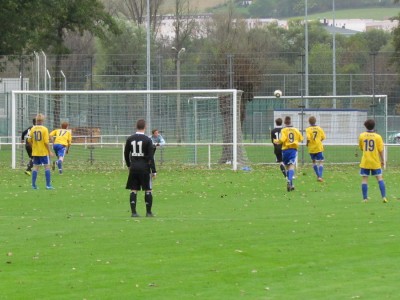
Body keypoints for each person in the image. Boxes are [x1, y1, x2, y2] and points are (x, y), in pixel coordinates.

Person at [124, 119, 157, 217]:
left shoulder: (130, 139)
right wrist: (154, 170)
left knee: (133, 189)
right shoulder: (148, 140)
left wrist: (129, 165)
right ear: (145, 127)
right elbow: (151, 157)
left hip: (133, 168)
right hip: (144, 168)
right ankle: (148, 212)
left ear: (136, 126)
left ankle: (134, 213)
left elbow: (126, 153)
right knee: (148, 189)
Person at [358, 119, 387, 203]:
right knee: (379, 178)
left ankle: (365, 198)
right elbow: (381, 150)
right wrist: (382, 160)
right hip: (375, 161)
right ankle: (384, 197)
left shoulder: (362, 136)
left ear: (365, 126)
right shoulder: (378, 137)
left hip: (365, 161)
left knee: (364, 179)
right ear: (374, 126)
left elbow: (361, 147)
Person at [274, 116, 303, 192]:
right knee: (292, 166)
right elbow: (301, 139)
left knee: (287, 167)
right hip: (293, 150)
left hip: (285, 150)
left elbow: (282, 139)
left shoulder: (284, 130)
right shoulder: (296, 130)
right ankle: (289, 181)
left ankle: (291, 184)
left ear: (285, 122)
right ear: (290, 121)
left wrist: (277, 141)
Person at [27, 113, 54, 190]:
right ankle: (48, 185)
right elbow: (46, 142)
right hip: (43, 152)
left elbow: (29, 140)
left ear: (36, 120)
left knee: (35, 168)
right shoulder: (44, 129)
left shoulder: (32, 129)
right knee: (47, 167)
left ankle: (33, 185)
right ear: (43, 120)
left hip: (36, 152)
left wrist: (34, 147)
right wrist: (49, 151)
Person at [306, 116, 326, 182]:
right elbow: (323, 137)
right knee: (321, 161)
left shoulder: (308, 129)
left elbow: (308, 138)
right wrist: (319, 141)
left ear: (309, 122)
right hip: (318, 147)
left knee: (314, 161)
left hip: (311, 148)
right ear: (315, 121)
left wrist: (307, 143)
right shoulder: (319, 128)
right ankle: (320, 176)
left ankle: (318, 176)